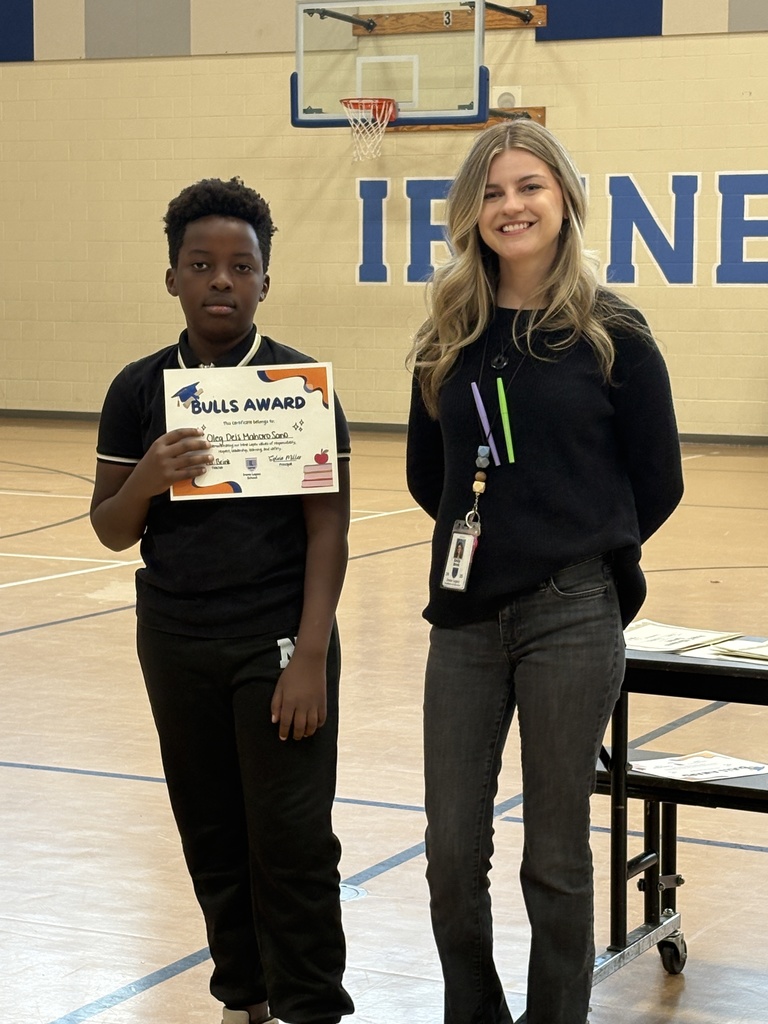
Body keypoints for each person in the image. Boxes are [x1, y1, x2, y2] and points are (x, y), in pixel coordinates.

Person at [406, 120, 684, 1024]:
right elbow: (428, 474)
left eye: (529, 186)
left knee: (556, 856)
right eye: (491, 192)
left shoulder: (613, 332)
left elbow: (659, 479)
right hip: (464, 620)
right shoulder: (448, 332)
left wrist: (577, 546)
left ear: (563, 199)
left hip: (573, 613)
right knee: (451, 851)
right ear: (470, 212)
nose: (511, 206)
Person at [90, 177, 354, 1024]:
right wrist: (148, 477)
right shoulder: (138, 389)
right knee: (211, 831)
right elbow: (111, 529)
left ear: (266, 282)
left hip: (278, 643)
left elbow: (328, 530)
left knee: (292, 838)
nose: (221, 281)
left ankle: (311, 1006)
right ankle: (246, 996)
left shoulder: (299, 387)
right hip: (175, 643)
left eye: (241, 266)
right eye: (201, 264)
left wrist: (310, 654)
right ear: (172, 276)